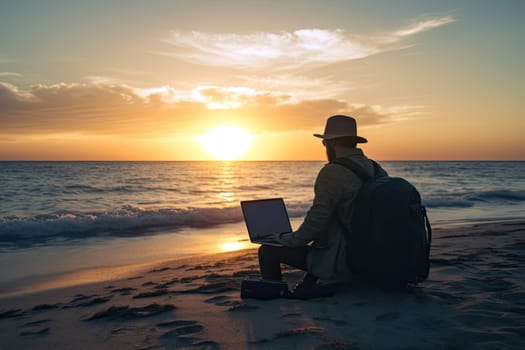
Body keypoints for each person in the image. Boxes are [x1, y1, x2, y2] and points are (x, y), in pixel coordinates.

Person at [258, 115, 388, 299]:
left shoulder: (332, 171)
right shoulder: (376, 169)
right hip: (370, 257)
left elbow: (316, 222)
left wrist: (284, 239)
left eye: (325, 143)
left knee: (267, 251)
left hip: (341, 261)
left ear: (332, 143)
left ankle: (273, 297)